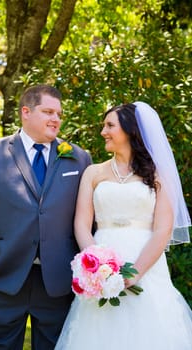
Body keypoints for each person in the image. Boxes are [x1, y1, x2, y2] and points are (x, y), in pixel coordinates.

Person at [0, 84, 92, 349]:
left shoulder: (79, 158)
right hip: (0, 275)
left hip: (57, 281)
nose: (56, 119)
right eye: (48, 111)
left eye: (59, 113)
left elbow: (88, 218)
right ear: (26, 112)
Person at [55, 101, 192, 350]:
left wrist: (136, 272)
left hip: (146, 262)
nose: (103, 132)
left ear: (130, 130)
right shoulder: (93, 173)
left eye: (110, 125)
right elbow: (82, 223)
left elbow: (163, 228)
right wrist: (96, 265)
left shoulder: (159, 175)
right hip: (101, 258)